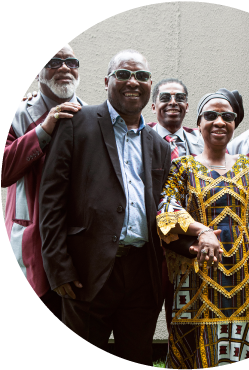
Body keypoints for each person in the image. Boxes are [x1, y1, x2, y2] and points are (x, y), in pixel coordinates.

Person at [39, 49, 171, 365]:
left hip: (142, 276)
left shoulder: (159, 146)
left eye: (141, 76)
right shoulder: (75, 123)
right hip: (87, 270)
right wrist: (58, 267)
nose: (132, 82)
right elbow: (51, 200)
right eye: (123, 74)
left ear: (150, 84)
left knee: (137, 355)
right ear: (106, 81)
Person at [156, 88, 249, 367]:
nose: (219, 121)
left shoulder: (248, 167)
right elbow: (166, 208)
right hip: (198, 279)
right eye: (210, 115)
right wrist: (203, 231)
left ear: (235, 123)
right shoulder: (182, 167)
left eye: (227, 116)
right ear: (198, 123)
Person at [2, 44, 85, 320]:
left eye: (71, 62)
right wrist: (45, 129)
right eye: (54, 61)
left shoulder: (91, 117)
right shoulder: (20, 115)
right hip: (31, 239)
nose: (64, 67)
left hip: (76, 238)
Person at [147, 78, 204, 332]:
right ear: (153, 105)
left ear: (188, 106)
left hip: (191, 243)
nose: (173, 103)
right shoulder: (139, 137)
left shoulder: (202, 141)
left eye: (179, 98)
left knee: (185, 323)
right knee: (142, 319)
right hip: (149, 245)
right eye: (166, 97)